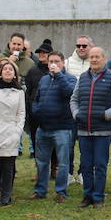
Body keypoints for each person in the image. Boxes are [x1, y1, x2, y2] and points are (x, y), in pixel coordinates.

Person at [72, 47, 111, 208]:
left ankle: (98, 197)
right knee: (85, 165)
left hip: (103, 131)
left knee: (100, 165)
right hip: (84, 130)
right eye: (92, 57)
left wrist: (107, 114)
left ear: (104, 58)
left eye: (97, 57)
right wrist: (76, 113)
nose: (94, 60)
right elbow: (74, 99)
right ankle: (87, 195)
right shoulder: (82, 78)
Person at [30, 51, 75, 202]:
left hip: (62, 127)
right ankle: (40, 190)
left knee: (63, 163)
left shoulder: (70, 79)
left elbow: (70, 93)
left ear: (63, 63)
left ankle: (61, 192)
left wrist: (59, 76)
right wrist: (37, 111)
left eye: (56, 61)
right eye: (50, 62)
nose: (53, 64)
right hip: (43, 127)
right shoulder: (43, 80)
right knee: (41, 162)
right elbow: (36, 98)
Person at [0, 58, 26, 207]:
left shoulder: (19, 92)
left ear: (15, 74)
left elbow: (21, 113)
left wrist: (17, 131)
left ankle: (6, 197)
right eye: (5, 69)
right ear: (0, 73)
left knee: (9, 168)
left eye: (11, 69)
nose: (8, 71)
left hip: (12, 131)